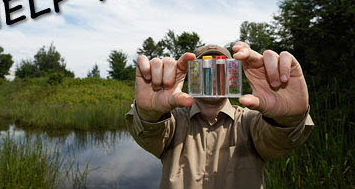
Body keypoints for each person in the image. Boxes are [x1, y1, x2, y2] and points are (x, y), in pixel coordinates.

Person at [125, 42, 314, 189]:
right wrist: (149, 114)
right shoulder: (172, 121)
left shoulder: (249, 121)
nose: (213, 75)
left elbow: (278, 141)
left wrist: (288, 119)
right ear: (193, 74)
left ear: (232, 75)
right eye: (205, 67)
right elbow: (149, 134)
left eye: (220, 67)